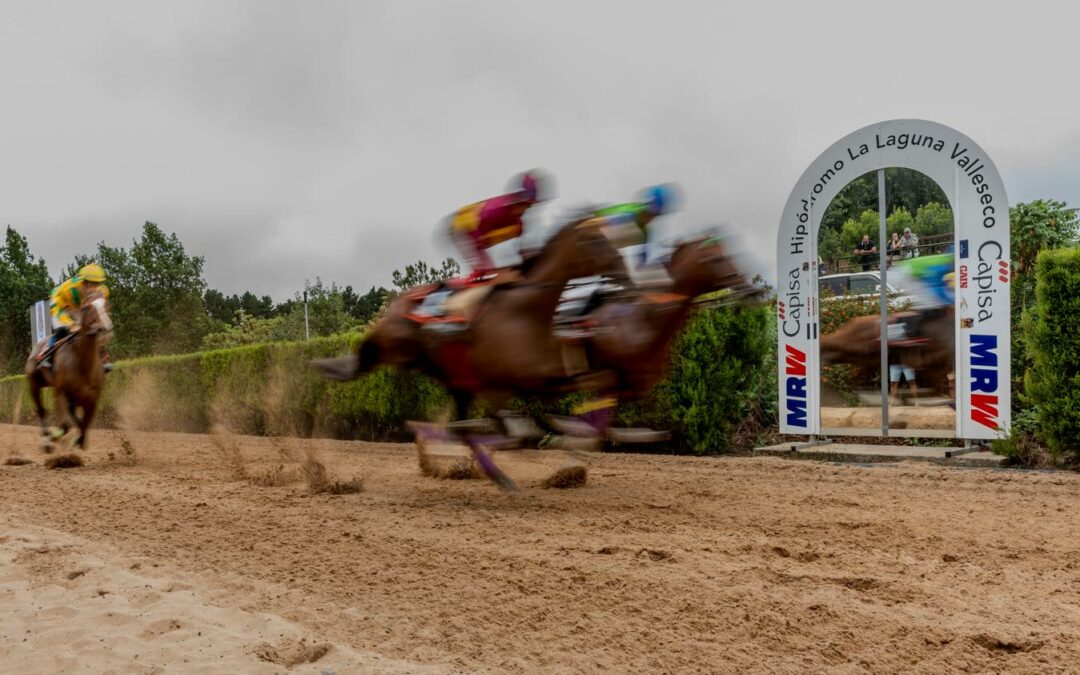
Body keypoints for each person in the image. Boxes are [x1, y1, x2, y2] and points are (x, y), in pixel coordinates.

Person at [448, 170, 552, 283]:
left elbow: (521, 249)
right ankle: (467, 281)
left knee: (495, 268)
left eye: (530, 205)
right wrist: (487, 269)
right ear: (515, 200)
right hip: (460, 228)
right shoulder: (495, 211)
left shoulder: (518, 223)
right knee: (486, 269)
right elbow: (476, 243)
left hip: (479, 231)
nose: (526, 209)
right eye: (525, 204)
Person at [37, 263, 112, 372]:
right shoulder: (69, 289)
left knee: (94, 328)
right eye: (91, 285)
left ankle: (103, 358)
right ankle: (46, 355)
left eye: (97, 284)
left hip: (78, 307)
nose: (95, 288)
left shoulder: (103, 291)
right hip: (59, 305)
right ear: (84, 283)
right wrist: (70, 324)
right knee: (63, 330)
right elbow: (56, 308)